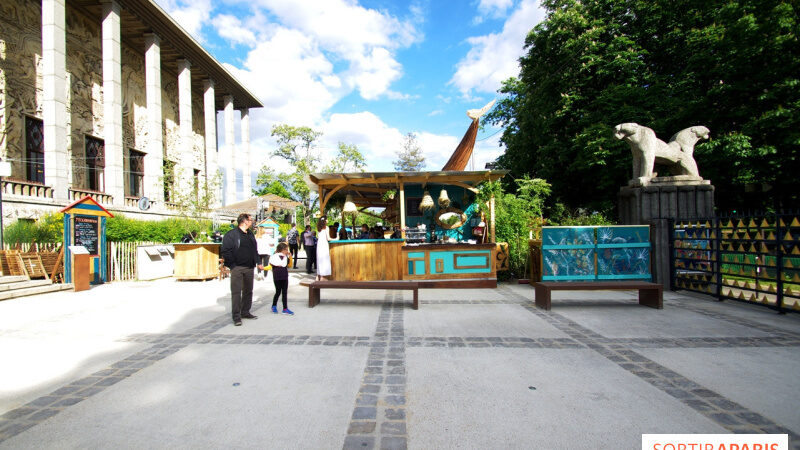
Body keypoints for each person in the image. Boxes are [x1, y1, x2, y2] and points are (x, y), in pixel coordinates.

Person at [221, 213, 262, 326]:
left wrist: (258, 262)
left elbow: (254, 250)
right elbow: (225, 251)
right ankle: (236, 316)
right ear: (244, 221)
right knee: (236, 292)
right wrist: (232, 265)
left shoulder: (250, 234)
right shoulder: (231, 235)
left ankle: (245, 311)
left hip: (249, 267)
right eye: (250, 220)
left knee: (248, 291)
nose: (252, 221)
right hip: (237, 268)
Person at [268, 242, 294, 315]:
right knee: (278, 291)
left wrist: (290, 257)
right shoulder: (274, 257)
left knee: (285, 292)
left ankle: (285, 308)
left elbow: (289, 265)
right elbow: (274, 264)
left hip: (284, 276)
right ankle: (274, 305)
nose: (287, 251)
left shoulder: (286, 257)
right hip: (277, 276)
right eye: (286, 250)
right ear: (281, 250)